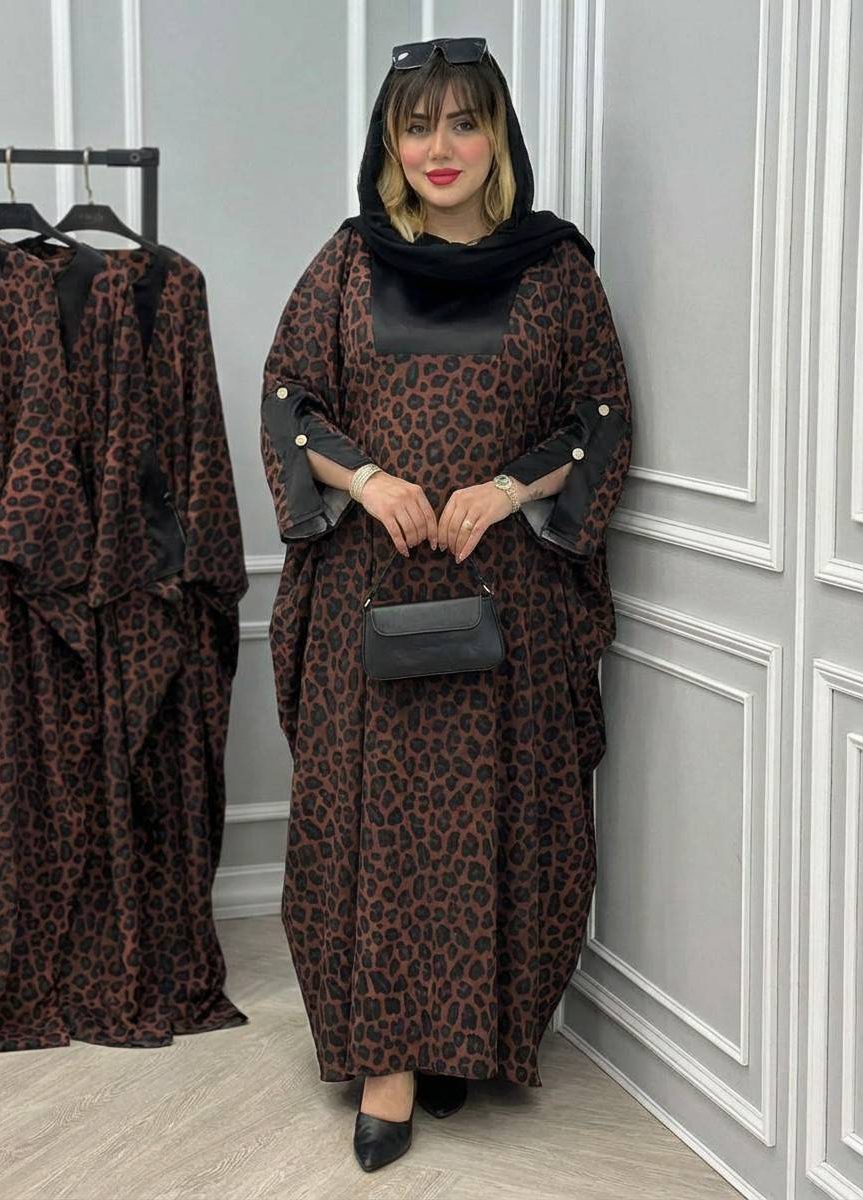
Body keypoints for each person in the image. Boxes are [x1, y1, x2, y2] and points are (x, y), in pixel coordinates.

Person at [260, 35, 632, 1174]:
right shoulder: (347, 262)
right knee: (376, 826)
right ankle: (388, 1062)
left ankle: (463, 1036)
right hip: (369, 595)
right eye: (417, 125)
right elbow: (288, 399)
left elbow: (600, 417)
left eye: (464, 122)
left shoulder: (556, 270)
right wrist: (369, 479)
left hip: (506, 603)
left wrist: (507, 488)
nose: (440, 147)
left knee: (493, 822)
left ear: (497, 136)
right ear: (389, 140)